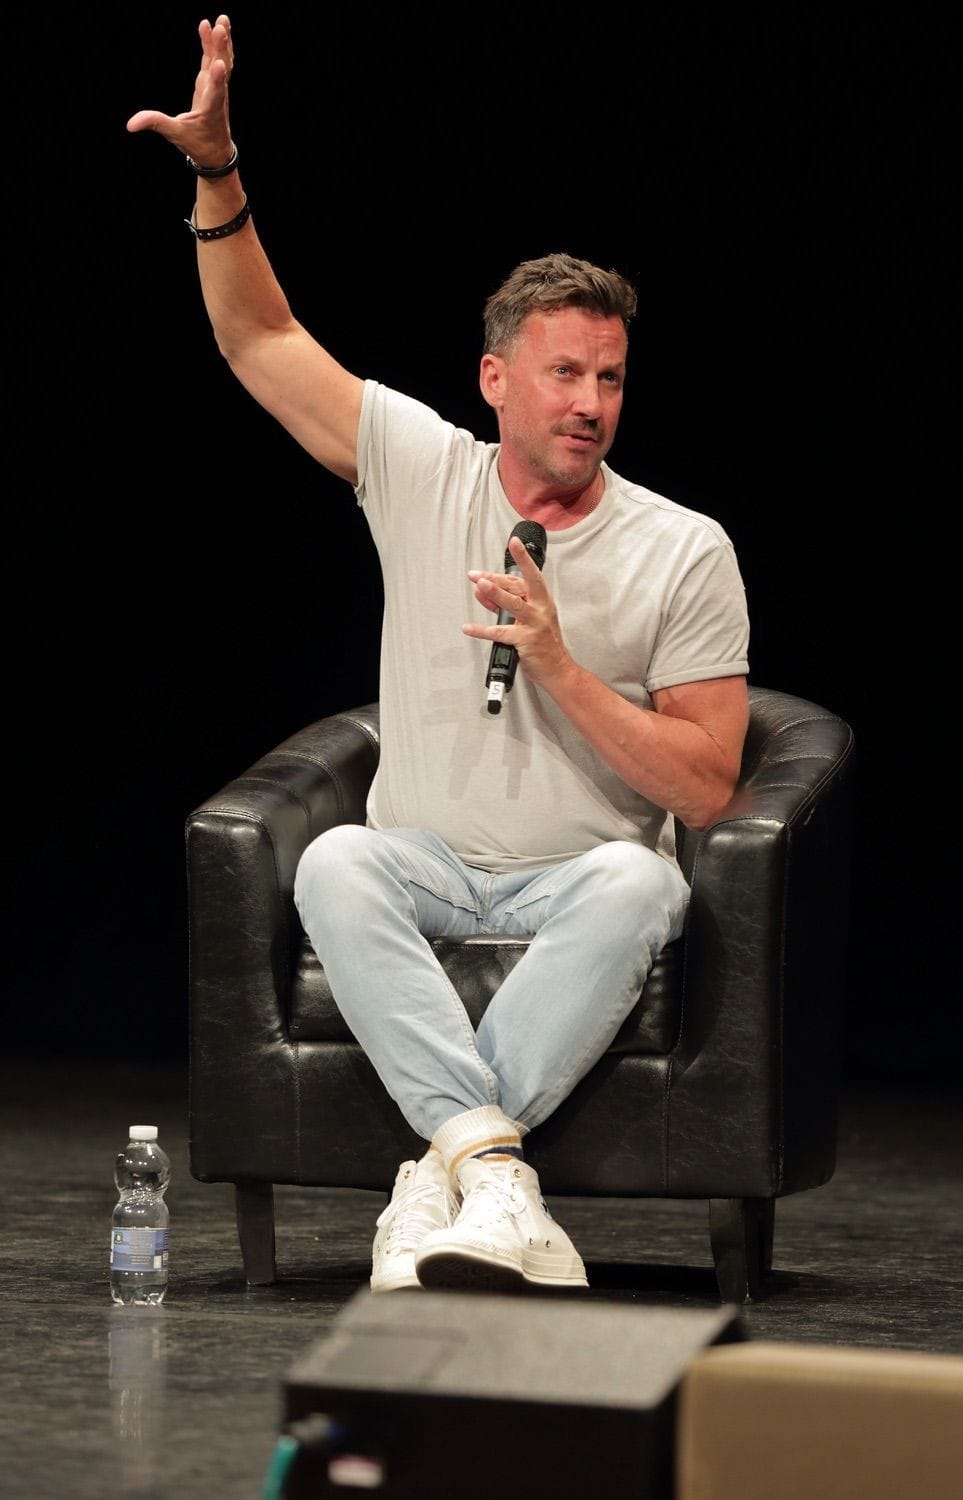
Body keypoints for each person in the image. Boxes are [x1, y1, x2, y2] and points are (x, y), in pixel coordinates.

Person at [127, 15, 751, 1296]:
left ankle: (440, 1174)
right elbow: (260, 341)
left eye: (613, 379)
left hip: (580, 880)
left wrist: (564, 665)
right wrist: (217, 175)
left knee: (648, 889)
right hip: (426, 868)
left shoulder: (683, 549)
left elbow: (705, 791)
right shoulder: (421, 468)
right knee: (339, 860)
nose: (590, 403)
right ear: (495, 381)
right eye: (566, 373)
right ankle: (492, 1169)